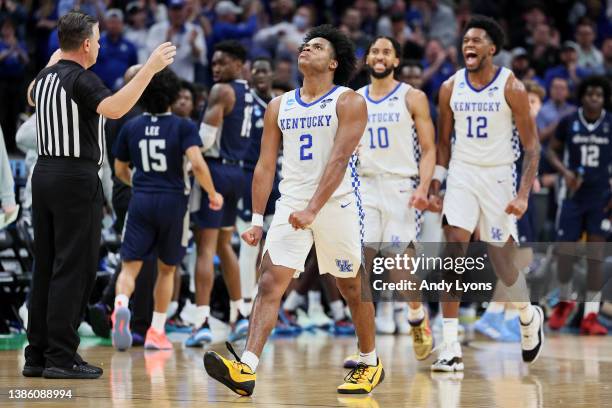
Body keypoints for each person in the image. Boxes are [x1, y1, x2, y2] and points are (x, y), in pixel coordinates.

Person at [204, 24, 384, 396]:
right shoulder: (278, 105)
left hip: (337, 204)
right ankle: (246, 368)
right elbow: (265, 166)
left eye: (316, 46)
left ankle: (369, 361)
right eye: (304, 44)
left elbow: (338, 161)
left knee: (351, 286)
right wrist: (256, 220)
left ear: (334, 62)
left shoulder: (349, 101)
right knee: (270, 282)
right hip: (291, 205)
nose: (306, 48)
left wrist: (314, 209)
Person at [23, 10, 175, 379]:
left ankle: (37, 355)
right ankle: (61, 356)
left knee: (45, 265)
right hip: (75, 177)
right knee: (74, 268)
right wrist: (149, 69)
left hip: (43, 175)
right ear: (87, 44)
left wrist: (52, 58)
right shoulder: (82, 79)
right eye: (98, 39)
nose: (101, 46)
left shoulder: (44, 78)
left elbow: (29, 96)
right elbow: (117, 107)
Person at [429, 15, 543, 372]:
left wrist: (523, 194)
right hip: (462, 175)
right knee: (453, 251)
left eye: (476, 41)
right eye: (465, 42)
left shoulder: (512, 87)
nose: (469, 46)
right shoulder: (450, 87)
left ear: (492, 49)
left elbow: (532, 146)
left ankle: (527, 316)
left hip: (498, 177)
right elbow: (443, 141)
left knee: (503, 262)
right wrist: (437, 180)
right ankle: (450, 347)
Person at [111, 67, 223, 351]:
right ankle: (156, 332)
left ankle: (120, 305)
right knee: (166, 269)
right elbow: (198, 164)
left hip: (142, 198)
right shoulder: (183, 126)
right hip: (173, 201)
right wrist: (212, 193)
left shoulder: (131, 126)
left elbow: (119, 169)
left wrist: (136, 183)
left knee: (130, 267)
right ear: (173, 95)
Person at [355, 36, 435, 358]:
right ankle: (365, 347)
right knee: (361, 268)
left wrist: (423, 187)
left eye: (386, 52)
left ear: (396, 61)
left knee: (401, 267)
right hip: (364, 187)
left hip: (401, 186)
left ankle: (416, 316)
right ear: (367, 59)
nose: (380, 56)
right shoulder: (354, 100)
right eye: (374, 51)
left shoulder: (412, 97)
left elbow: (429, 149)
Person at [186, 40, 252, 346]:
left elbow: (204, 138)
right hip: (238, 172)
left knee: (206, 247)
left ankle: (201, 321)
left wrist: (185, 159)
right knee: (226, 244)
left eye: (221, 63)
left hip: (215, 170)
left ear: (239, 65)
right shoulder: (249, 94)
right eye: (213, 63)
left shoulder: (220, 91)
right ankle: (240, 312)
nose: (215, 68)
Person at [546, 75, 611, 335]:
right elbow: (550, 150)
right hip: (572, 196)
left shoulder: (609, 123)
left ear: (604, 98)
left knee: (596, 257)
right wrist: (565, 172)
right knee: (566, 254)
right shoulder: (569, 121)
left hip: (601, 197)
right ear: (582, 96)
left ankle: (591, 315)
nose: (594, 98)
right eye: (589, 94)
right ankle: (564, 301)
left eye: (599, 94)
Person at [236, 57, 280, 312]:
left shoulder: (282, 102)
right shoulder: (245, 101)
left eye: (264, 70)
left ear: (272, 74)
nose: (260, 74)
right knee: (250, 239)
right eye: (255, 71)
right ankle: (243, 304)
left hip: (277, 175)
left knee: (273, 243)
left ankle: (262, 299)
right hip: (251, 173)